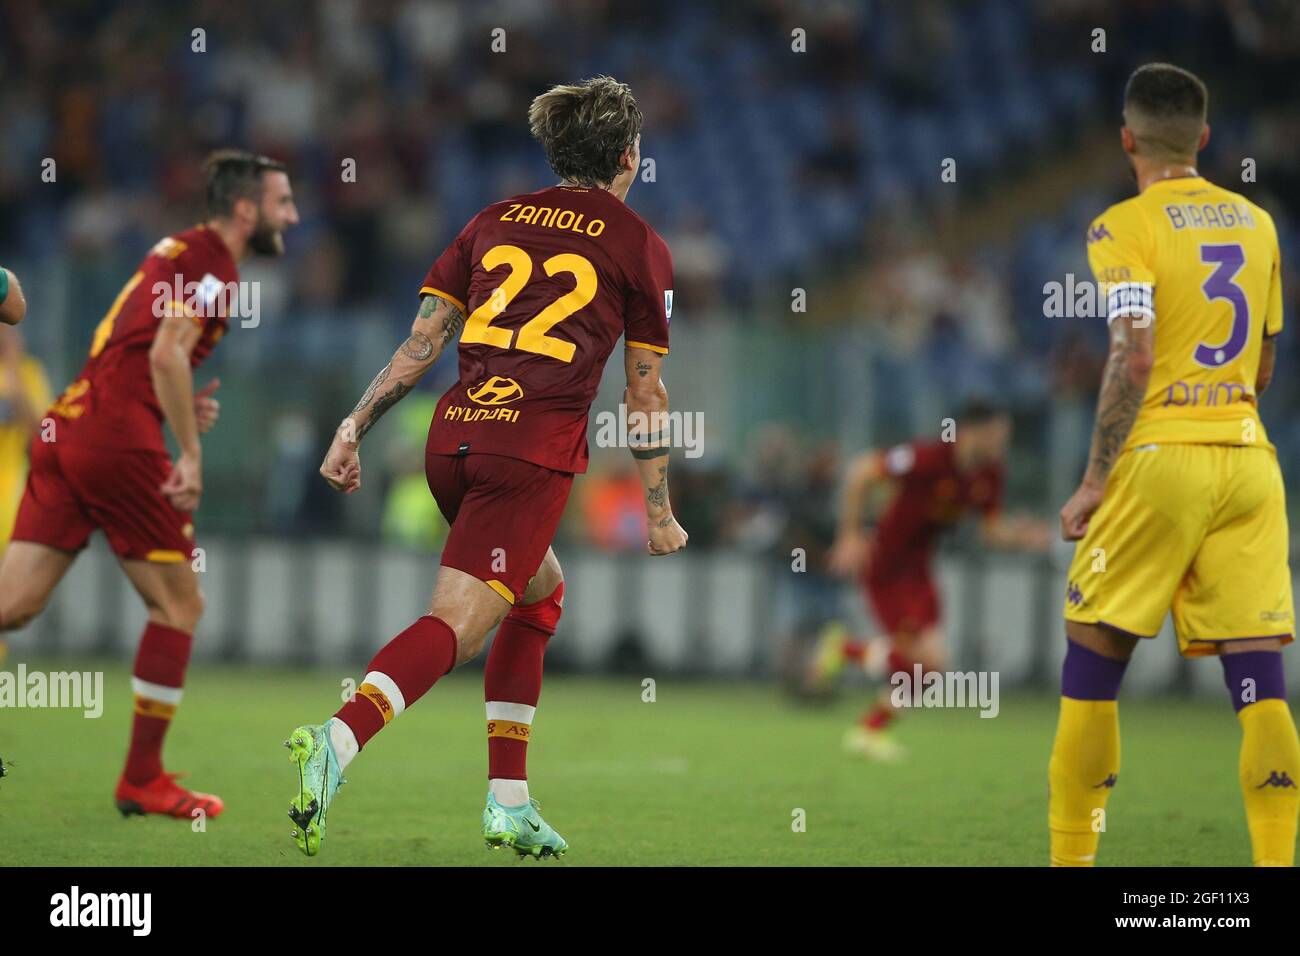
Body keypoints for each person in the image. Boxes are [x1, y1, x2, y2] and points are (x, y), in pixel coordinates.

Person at [285, 76, 688, 860]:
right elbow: (645, 393)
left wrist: (354, 426)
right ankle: (337, 738)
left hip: (452, 439)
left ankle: (509, 802)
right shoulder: (639, 243)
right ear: (630, 156)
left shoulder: (491, 218)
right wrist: (660, 509)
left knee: (539, 595)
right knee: (456, 625)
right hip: (526, 455)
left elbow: (421, 343)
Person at [0, 150, 299, 820]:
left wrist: (172, 404)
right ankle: (142, 778)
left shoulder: (176, 250)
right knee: (180, 606)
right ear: (247, 210)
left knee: (13, 605)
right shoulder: (216, 267)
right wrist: (188, 451)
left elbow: (140, 351)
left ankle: (143, 777)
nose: (294, 216)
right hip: (114, 440)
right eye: (284, 203)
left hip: (71, 422)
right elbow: (165, 351)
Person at [1050, 64, 1297, 867]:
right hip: (1251, 462)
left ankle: (1073, 861)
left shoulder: (1121, 226)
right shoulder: (1259, 224)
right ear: (1205, 138)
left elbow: (1134, 353)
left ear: (1128, 139)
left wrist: (1094, 479)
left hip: (1161, 454)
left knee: (1092, 657)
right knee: (1259, 681)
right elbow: (1263, 370)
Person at [816, 400, 1049, 760]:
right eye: (998, 435)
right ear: (973, 431)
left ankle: (851, 666)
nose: (1003, 443)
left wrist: (1022, 536)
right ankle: (865, 718)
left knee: (930, 668)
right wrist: (849, 535)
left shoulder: (989, 474)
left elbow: (990, 531)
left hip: (920, 569)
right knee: (928, 664)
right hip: (886, 567)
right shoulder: (927, 458)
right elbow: (862, 471)